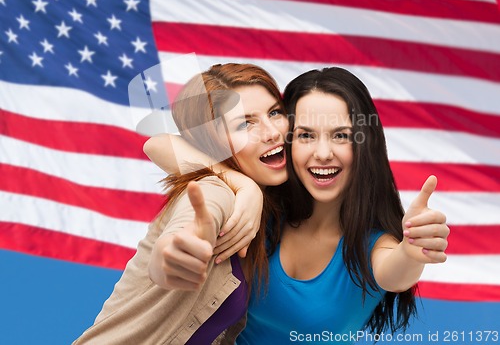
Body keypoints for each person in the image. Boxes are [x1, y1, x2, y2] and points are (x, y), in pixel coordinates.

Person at [147, 66, 449, 344]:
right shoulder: (261, 209)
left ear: (364, 145)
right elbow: (158, 143)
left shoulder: (372, 246)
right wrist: (246, 186)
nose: (322, 153)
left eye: (341, 136)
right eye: (306, 135)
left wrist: (412, 251)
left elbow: (396, 272)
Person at [72, 63, 289, 345]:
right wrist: (175, 255)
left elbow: (158, 143)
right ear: (213, 142)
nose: (271, 132)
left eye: (274, 112)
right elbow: (185, 234)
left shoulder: (267, 211)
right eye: (245, 124)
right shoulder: (214, 192)